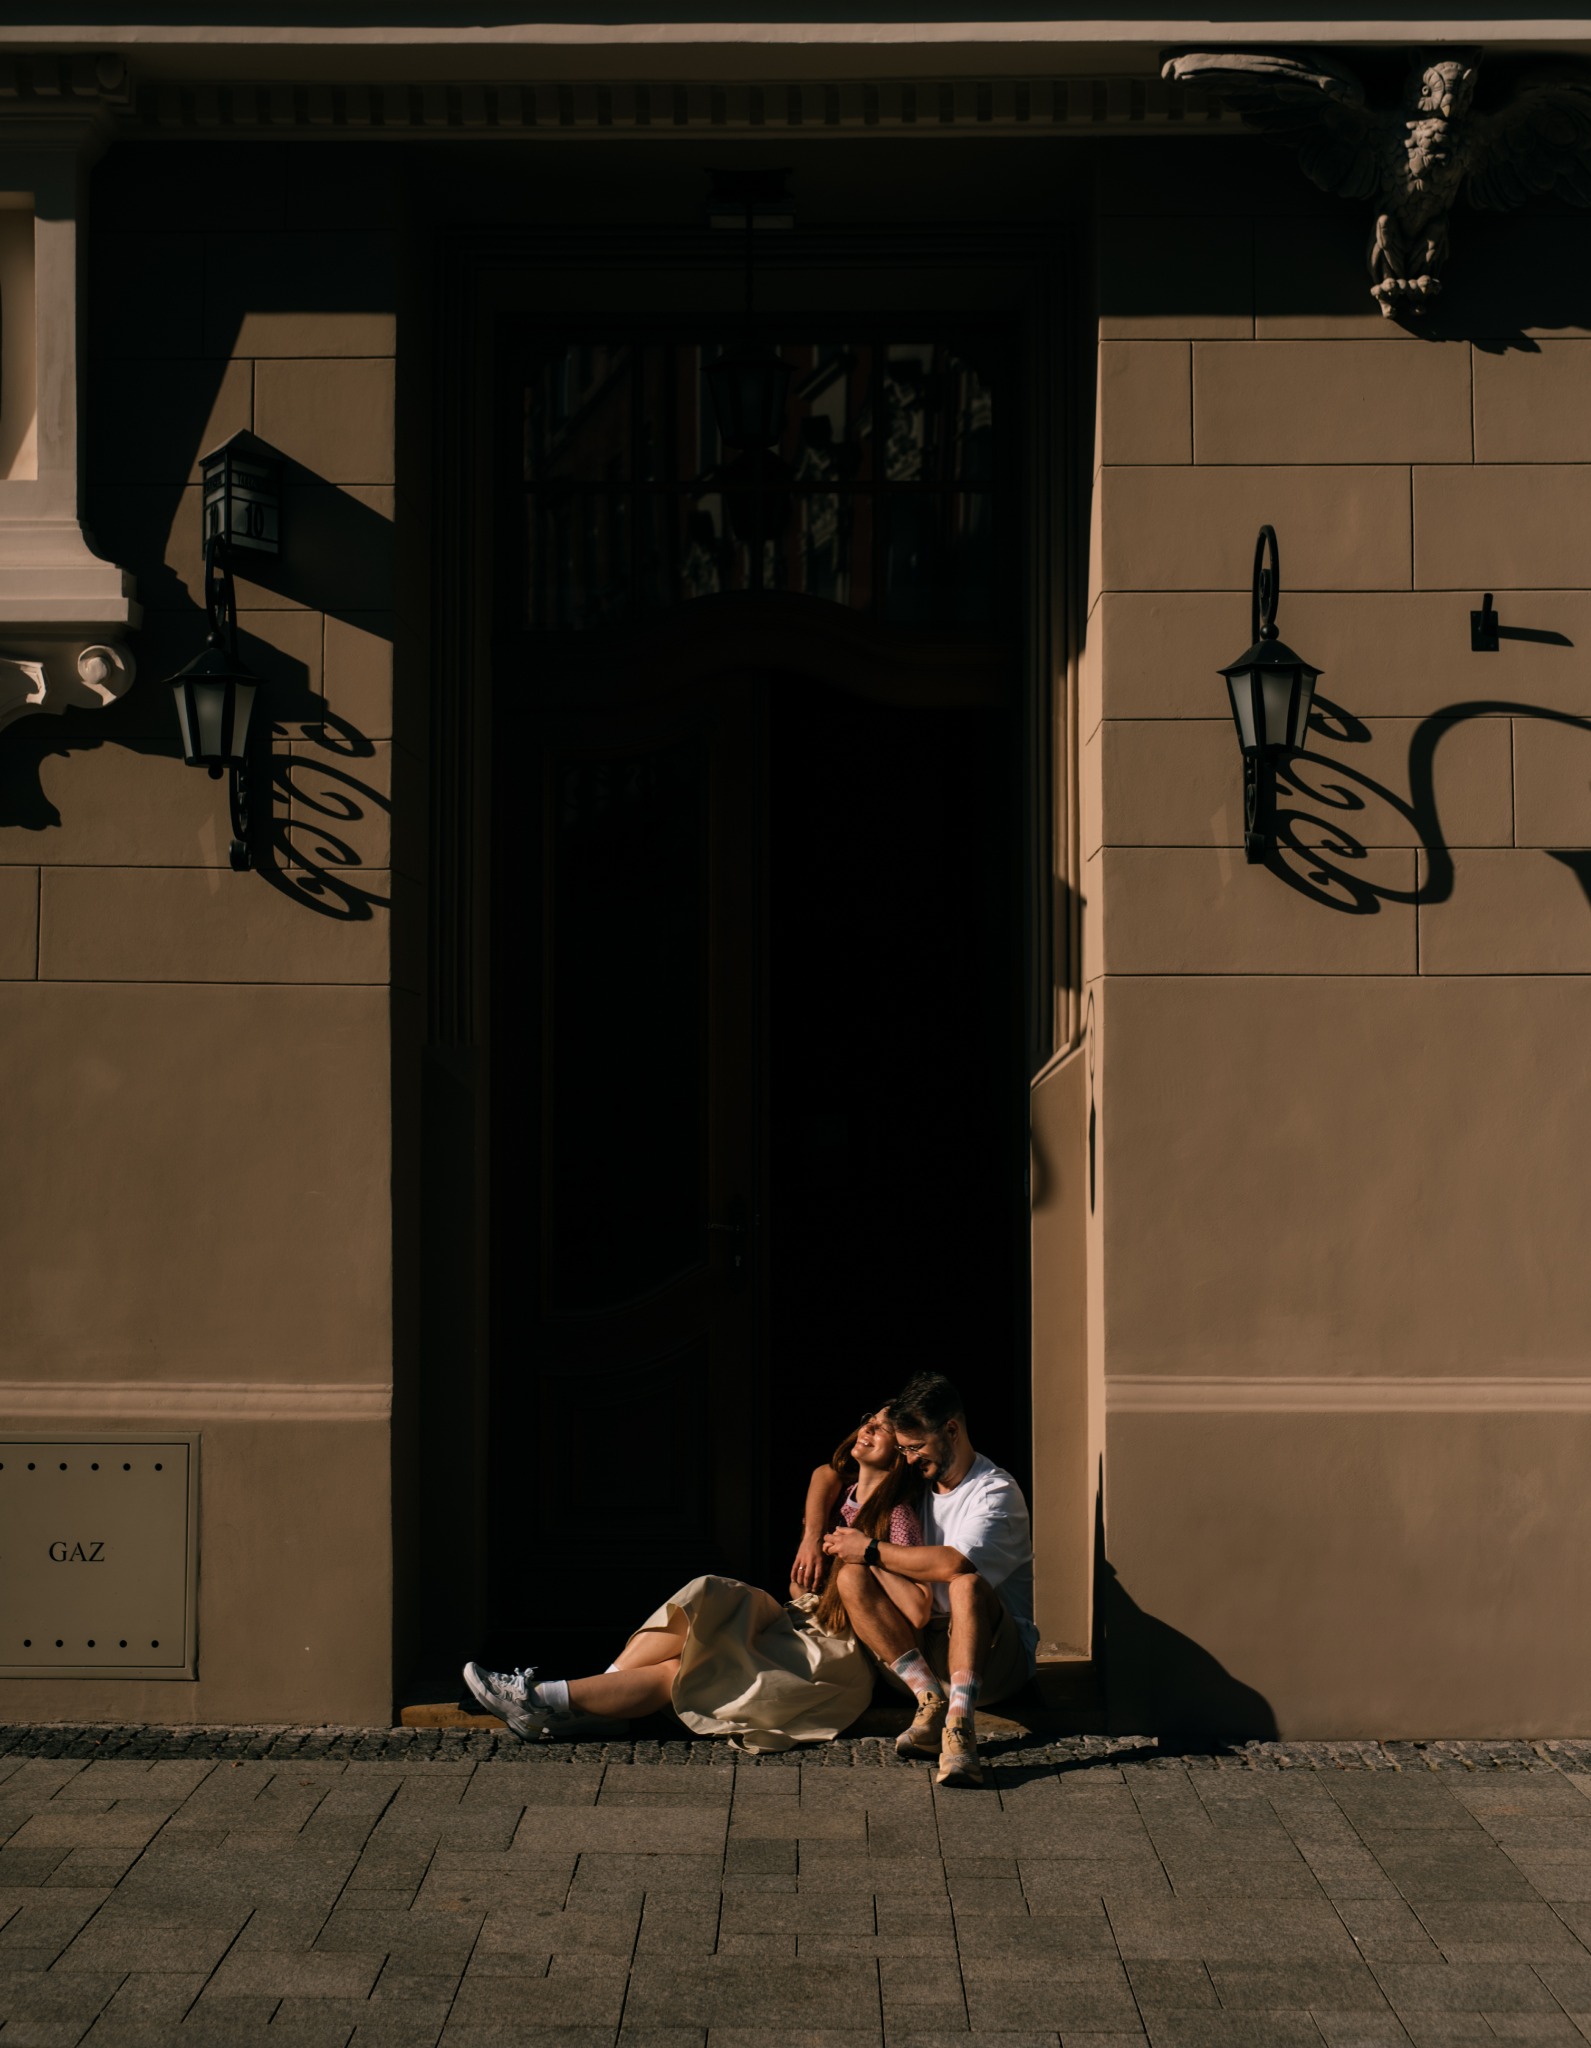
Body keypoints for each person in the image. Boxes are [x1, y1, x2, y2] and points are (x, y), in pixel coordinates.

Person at [462, 1405, 923, 1752]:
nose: (868, 1427)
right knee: (709, 1591)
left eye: (883, 1429)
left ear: (900, 1457)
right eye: (870, 1418)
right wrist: (811, 1537)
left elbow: (915, 1609)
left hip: (834, 1652)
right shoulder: (839, 1491)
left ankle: (540, 1696)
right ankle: (597, 1695)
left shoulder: (896, 1517)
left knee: (683, 1671)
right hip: (797, 1619)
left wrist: (866, 1557)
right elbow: (823, 1478)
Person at [821, 1370, 1037, 1788]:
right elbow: (829, 1473)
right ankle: (929, 1700)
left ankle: (959, 1730)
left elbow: (954, 1563)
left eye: (915, 1447)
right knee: (851, 1577)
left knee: (966, 1583)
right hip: (920, 1650)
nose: (908, 1459)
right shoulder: (914, 1483)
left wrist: (868, 1548)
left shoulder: (994, 1492)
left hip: (994, 1660)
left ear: (951, 1429)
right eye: (902, 1449)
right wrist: (814, 1537)